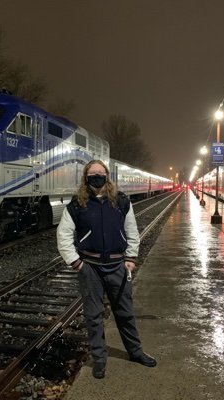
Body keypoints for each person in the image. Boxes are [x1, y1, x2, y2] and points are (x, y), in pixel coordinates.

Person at [56, 160, 156, 379]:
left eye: (101, 173)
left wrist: (130, 258)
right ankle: (99, 359)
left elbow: (132, 231)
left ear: (107, 176)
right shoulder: (76, 205)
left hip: (118, 267)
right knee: (93, 316)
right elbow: (63, 236)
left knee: (125, 313)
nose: (97, 177)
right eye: (93, 174)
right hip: (90, 268)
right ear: (86, 177)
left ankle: (136, 352)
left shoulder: (121, 202)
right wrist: (76, 263)